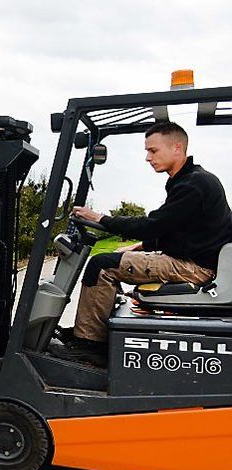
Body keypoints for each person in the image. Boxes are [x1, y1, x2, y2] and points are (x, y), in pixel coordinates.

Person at [53, 121, 232, 367]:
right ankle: (93, 333)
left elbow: (153, 224)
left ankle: (89, 346)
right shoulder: (191, 180)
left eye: (153, 151)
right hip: (195, 260)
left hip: (195, 268)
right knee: (112, 261)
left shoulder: (194, 184)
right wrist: (141, 246)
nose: (148, 157)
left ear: (177, 148)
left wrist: (101, 218)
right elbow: (177, 229)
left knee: (102, 266)